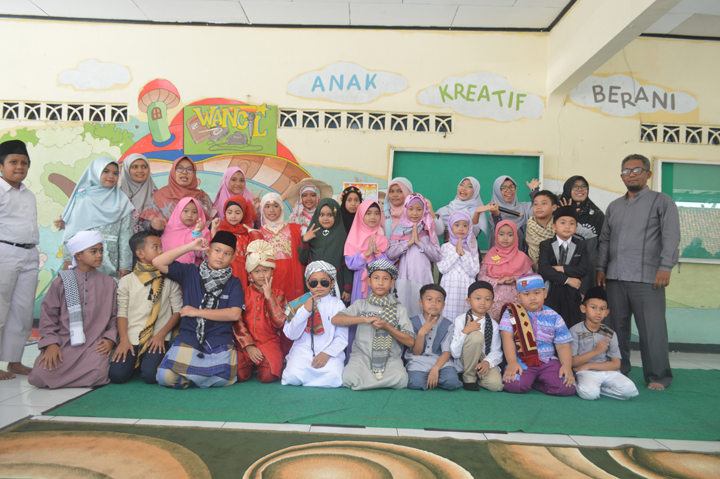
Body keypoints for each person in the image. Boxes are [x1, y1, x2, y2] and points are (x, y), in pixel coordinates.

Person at [596, 154, 680, 391]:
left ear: (648, 174)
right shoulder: (614, 206)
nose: (631, 174)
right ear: (621, 176)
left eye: (637, 170)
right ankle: (618, 372)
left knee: (652, 330)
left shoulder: (662, 201)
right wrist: (601, 268)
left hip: (648, 278)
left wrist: (665, 267)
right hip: (615, 278)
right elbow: (605, 240)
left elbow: (671, 235)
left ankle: (658, 376)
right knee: (615, 330)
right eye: (626, 171)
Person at [152, 231, 243, 388]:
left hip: (219, 340)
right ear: (208, 251)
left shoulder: (234, 282)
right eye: (217, 250)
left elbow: (234, 314)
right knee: (164, 377)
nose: (221, 256)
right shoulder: (190, 272)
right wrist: (190, 247)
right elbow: (158, 262)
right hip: (190, 337)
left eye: (227, 253)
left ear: (232, 259)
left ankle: (189, 378)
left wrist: (196, 312)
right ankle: (200, 378)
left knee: (225, 378)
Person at [28, 231, 118, 388]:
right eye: (93, 251)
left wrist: (110, 339)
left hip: (94, 343)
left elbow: (114, 316)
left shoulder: (109, 283)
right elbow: (48, 316)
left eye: (101, 251)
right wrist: (50, 344)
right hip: (64, 342)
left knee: (98, 374)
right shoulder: (62, 281)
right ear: (78, 255)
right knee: (40, 376)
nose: (99, 255)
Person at [109, 231, 182, 384]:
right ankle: (139, 360)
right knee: (116, 375)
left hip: (158, 336)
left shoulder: (169, 279)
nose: (161, 251)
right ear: (140, 253)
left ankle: (146, 361)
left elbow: (177, 312)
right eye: (155, 247)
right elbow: (121, 313)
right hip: (132, 336)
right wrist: (123, 340)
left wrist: (162, 335)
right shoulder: (127, 281)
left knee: (150, 376)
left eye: (161, 247)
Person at [333, 259, 415, 390]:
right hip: (361, 356)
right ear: (369, 281)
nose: (380, 283)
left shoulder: (400, 309)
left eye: (385, 279)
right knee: (349, 378)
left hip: (390, 358)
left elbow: (410, 342)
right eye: (376, 278)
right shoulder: (360, 305)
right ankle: (379, 382)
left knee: (401, 379)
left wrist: (387, 327)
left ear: (392, 282)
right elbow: (336, 319)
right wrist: (364, 319)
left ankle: (368, 382)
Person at [0, 140, 40, 379]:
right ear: (1, 166)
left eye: (24, 163)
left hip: (29, 255)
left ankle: (14, 361)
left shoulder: (28, 194)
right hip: (4, 253)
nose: (19, 166)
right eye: (13, 162)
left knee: (22, 311)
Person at [499, 274, 576, 396]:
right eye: (526, 294)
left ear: (545, 293)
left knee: (566, 388)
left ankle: (536, 383)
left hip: (548, 361)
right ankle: (530, 379)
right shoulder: (512, 313)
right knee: (514, 385)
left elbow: (563, 346)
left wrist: (566, 366)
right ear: (519, 296)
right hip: (522, 360)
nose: (532, 298)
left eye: (537, 293)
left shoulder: (554, 316)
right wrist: (512, 362)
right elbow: (507, 338)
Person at [59, 156, 135, 280]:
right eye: (106, 171)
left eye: (115, 173)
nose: (111, 176)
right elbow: (71, 232)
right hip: (83, 260)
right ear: (95, 171)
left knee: (107, 289)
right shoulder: (83, 198)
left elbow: (126, 236)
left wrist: (125, 266)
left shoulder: (122, 201)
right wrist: (68, 259)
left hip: (111, 263)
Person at [282, 261, 348, 388]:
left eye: (324, 282)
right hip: (303, 351)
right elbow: (292, 335)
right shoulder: (299, 304)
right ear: (307, 284)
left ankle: (309, 379)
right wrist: (305, 310)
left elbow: (342, 337)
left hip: (329, 352)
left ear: (332, 283)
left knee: (334, 377)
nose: (319, 286)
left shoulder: (338, 305)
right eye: (314, 283)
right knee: (292, 376)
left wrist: (327, 354)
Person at [570, 286, 639, 401]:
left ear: (607, 312)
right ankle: (588, 387)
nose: (598, 312)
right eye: (593, 307)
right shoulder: (575, 331)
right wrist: (596, 351)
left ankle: (599, 389)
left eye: (602, 309)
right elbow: (572, 362)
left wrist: (589, 365)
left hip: (606, 371)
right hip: (585, 372)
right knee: (590, 394)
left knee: (630, 390)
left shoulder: (610, 334)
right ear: (583, 308)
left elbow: (616, 364)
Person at [236, 239, 289, 384]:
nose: (261, 275)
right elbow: (237, 321)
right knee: (239, 375)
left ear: (272, 271)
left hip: (269, 343)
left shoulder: (278, 294)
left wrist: (269, 297)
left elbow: (280, 323)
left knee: (268, 377)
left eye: (265, 270)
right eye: (257, 271)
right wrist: (248, 346)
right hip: (245, 343)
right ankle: (251, 362)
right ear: (250, 274)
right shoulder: (243, 292)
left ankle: (261, 364)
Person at [344, 200, 389, 356]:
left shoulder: (382, 237)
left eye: (377, 213)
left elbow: (388, 265)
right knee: (359, 317)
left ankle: (377, 357)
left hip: (380, 283)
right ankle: (355, 357)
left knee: (378, 318)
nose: (373, 217)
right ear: (361, 215)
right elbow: (350, 263)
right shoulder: (353, 236)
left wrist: (377, 253)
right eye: (368, 213)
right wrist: (366, 254)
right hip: (361, 283)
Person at [387, 193, 442, 318]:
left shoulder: (428, 228)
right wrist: (408, 243)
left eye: (419, 209)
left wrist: (419, 243)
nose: (415, 213)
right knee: (403, 310)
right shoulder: (399, 228)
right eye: (411, 209)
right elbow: (390, 253)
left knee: (422, 309)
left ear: (424, 210)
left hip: (423, 276)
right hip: (403, 277)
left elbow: (438, 256)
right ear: (406, 209)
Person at [538, 205, 589, 329]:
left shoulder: (581, 245)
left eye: (572, 223)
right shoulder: (546, 245)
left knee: (571, 327)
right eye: (563, 222)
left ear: (576, 227)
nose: (567, 226)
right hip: (551, 293)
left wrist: (561, 268)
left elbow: (583, 270)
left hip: (572, 295)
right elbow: (544, 269)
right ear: (554, 226)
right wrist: (568, 280)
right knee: (549, 327)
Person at [405, 284, 462, 391]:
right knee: (415, 383)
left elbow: (446, 352)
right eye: (429, 299)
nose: (434, 303)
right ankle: (431, 380)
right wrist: (421, 333)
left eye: (438, 300)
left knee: (452, 382)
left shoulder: (448, 325)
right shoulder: (412, 322)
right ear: (421, 302)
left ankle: (433, 378)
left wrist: (435, 368)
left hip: (440, 361)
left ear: (443, 305)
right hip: (418, 361)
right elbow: (416, 353)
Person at [450, 281, 504, 392]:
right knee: (476, 336)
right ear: (469, 301)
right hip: (464, 357)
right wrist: (466, 331)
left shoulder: (493, 324)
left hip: (483, 358)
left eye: (487, 299)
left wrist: (487, 362)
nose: (482, 302)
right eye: (478, 298)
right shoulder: (460, 320)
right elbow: (454, 353)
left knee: (495, 385)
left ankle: (478, 376)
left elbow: (496, 352)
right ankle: (468, 377)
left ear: (492, 303)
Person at [477, 220, 534, 321]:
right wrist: (498, 281)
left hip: (516, 303)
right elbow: (481, 277)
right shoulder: (491, 255)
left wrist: (515, 278)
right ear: (496, 235)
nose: (505, 238)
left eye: (510, 235)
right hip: (493, 303)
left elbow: (530, 279)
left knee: (514, 327)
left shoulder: (522, 257)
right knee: (493, 327)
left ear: (515, 236)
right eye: (501, 234)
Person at [140, 156, 214, 231]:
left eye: (189, 169)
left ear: (194, 173)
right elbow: (145, 225)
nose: (184, 172)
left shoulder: (203, 197)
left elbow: (212, 224)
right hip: (167, 238)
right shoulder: (159, 196)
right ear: (173, 171)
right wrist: (152, 224)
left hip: (199, 238)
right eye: (180, 168)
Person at [257, 192, 305, 302]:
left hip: (292, 278)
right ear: (262, 210)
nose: (271, 210)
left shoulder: (295, 229)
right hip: (270, 279)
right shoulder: (258, 234)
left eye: (276, 206)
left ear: (282, 208)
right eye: (267, 206)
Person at [298, 198, 349, 301]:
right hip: (314, 284)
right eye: (322, 215)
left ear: (336, 216)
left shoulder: (342, 236)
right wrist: (305, 240)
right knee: (315, 309)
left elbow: (346, 264)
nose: (325, 218)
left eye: (330, 215)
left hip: (336, 282)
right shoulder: (312, 233)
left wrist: (348, 288)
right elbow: (303, 259)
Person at [438, 211, 481, 321]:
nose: (461, 229)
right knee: (447, 318)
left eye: (465, 225)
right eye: (457, 225)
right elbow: (442, 269)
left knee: (465, 319)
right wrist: (456, 254)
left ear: (469, 227)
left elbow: (474, 271)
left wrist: (463, 254)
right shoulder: (445, 247)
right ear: (450, 227)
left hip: (466, 287)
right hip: (449, 287)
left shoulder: (472, 247)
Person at [211, 195, 257, 290]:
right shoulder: (220, 230)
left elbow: (251, 258)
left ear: (244, 213)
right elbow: (212, 250)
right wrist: (213, 230)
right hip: (222, 270)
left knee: (238, 294)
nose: (233, 216)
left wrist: (251, 279)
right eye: (229, 212)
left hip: (241, 272)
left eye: (237, 212)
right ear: (225, 213)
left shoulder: (247, 234)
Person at [487, 175, 540, 251]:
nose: (509, 190)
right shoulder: (494, 210)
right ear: (497, 191)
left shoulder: (524, 207)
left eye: (512, 186)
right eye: (503, 187)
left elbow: (540, 206)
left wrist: (534, 190)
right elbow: (498, 232)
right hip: (501, 254)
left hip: (522, 253)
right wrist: (496, 215)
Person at [435, 177, 494, 242]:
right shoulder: (446, 210)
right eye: (462, 185)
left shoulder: (478, 210)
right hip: (448, 248)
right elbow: (437, 232)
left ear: (475, 191)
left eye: (469, 186)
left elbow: (474, 234)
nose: (464, 188)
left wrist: (476, 213)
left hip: (469, 248)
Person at [161, 197, 211, 266]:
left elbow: (200, 254)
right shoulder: (169, 230)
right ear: (179, 211)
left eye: (194, 212)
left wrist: (197, 233)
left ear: (199, 214)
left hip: (191, 269)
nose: (190, 215)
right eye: (186, 211)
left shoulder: (203, 231)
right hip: (169, 269)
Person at [119, 154, 158, 232]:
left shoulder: (157, 195)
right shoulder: (118, 196)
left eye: (144, 167)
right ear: (127, 170)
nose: (140, 170)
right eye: (134, 167)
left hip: (150, 238)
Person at [339, 186, 363, 300]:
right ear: (344, 201)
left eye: (356, 200)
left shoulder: (364, 221)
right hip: (342, 266)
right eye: (349, 200)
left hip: (360, 265)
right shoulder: (338, 221)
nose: (353, 204)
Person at [526, 190, 558, 271]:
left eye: (543, 203)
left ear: (554, 207)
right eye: (535, 204)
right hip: (531, 274)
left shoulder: (560, 228)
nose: (538, 207)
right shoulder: (524, 230)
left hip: (558, 273)